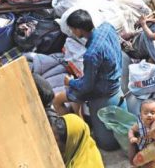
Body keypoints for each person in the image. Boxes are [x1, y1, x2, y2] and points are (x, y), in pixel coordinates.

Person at [53, 10, 126, 150]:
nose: (72, 32)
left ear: (78, 30)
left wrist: (70, 82)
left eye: (72, 29)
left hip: (101, 90)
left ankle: (80, 137)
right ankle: (83, 125)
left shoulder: (91, 54)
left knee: (58, 99)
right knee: (76, 99)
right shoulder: (107, 27)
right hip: (114, 80)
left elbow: (86, 86)